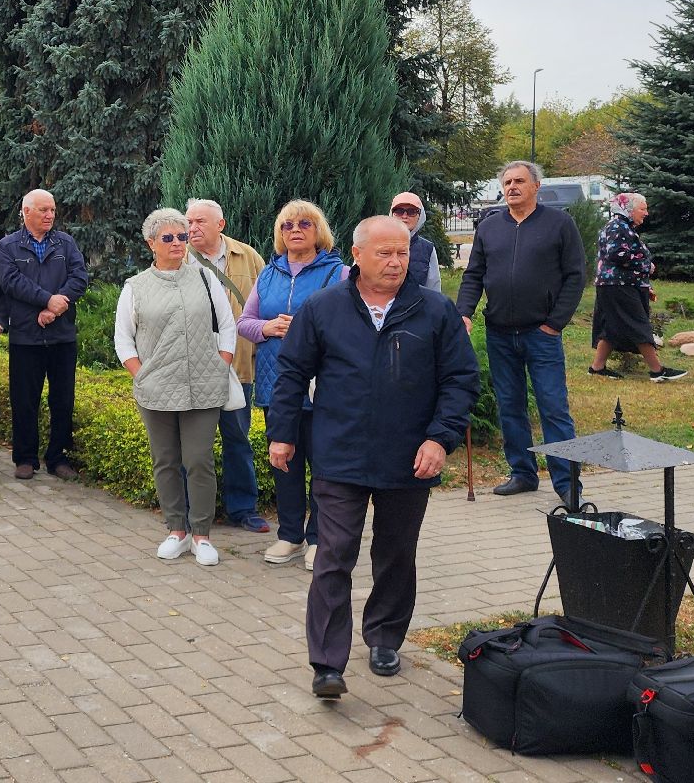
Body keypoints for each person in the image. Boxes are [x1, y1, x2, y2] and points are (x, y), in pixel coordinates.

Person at [268, 216, 478, 700]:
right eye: (384, 253)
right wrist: (281, 434)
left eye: (402, 252)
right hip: (340, 453)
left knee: (396, 556)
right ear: (357, 256)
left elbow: (461, 379)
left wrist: (438, 440)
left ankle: (384, 638)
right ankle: (326, 663)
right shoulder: (324, 309)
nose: (395, 261)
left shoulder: (434, 311)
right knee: (333, 556)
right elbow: (293, 373)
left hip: (409, 458)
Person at [456, 160, 587, 503]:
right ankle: (522, 472)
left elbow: (576, 276)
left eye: (519, 181)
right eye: (507, 182)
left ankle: (567, 483)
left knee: (553, 407)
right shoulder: (490, 226)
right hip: (500, 333)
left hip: (540, 334)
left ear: (536, 186)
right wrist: (463, 313)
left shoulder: (559, 223)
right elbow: (473, 275)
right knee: (509, 406)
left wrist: (554, 323)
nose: (511, 187)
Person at [116, 208, 238, 566]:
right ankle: (176, 531)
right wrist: (142, 375)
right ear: (151, 242)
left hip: (204, 385)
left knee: (199, 460)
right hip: (156, 390)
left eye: (182, 237)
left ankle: (201, 535)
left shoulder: (204, 277)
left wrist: (222, 362)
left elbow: (227, 325)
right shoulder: (136, 286)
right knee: (165, 461)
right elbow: (123, 339)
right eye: (167, 238)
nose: (176, 243)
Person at [238, 200, 347, 569]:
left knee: (323, 466)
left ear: (319, 230)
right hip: (277, 385)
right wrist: (267, 328)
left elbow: (350, 324)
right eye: (286, 225)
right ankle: (290, 536)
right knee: (284, 462)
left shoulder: (339, 273)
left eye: (304, 223)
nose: (295, 230)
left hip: (323, 386)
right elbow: (245, 322)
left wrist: (305, 328)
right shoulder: (268, 274)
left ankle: (318, 537)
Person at [185, 198, 269, 532]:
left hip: (238, 367)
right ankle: (190, 510)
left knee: (237, 437)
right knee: (192, 443)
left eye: (200, 222)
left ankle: (243, 509)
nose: (192, 228)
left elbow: (265, 301)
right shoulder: (178, 258)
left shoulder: (248, 256)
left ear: (220, 225)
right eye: (189, 222)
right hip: (191, 367)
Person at [0, 189, 89, 481]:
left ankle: (57, 457)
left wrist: (56, 307)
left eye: (52, 210)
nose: (49, 215)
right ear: (26, 212)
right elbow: (11, 282)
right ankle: (25, 458)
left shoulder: (66, 243)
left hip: (61, 336)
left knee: (63, 400)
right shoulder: (8, 246)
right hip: (26, 336)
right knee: (25, 400)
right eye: (43, 210)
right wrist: (47, 300)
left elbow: (80, 277)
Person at [589, 193, 686, 383]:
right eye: (643, 209)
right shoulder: (618, 226)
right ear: (629, 209)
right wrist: (645, 266)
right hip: (618, 285)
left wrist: (644, 283)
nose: (646, 213)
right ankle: (657, 371)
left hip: (617, 284)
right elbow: (617, 254)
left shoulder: (623, 227)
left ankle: (597, 368)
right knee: (638, 324)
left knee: (610, 326)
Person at [388, 192, 443, 292]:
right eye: (399, 211)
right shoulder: (375, 243)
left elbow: (433, 288)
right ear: (392, 214)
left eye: (411, 211)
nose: (405, 216)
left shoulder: (427, 249)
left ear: (420, 215)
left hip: (417, 307)